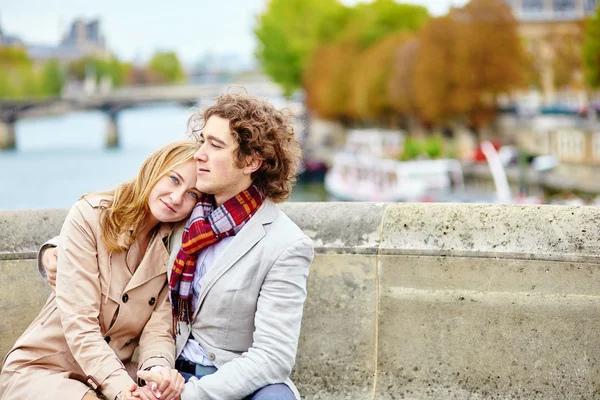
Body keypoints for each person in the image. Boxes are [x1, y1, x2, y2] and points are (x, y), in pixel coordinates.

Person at [38, 93, 315, 400]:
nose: (200, 153)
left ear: (250, 161)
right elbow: (120, 218)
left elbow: (273, 356)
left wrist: (192, 394)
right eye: (203, 140)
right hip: (165, 368)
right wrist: (55, 249)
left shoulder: (285, 244)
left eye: (215, 145)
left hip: (228, 376)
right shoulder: (186, 215)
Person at [0, 140, 203, 400]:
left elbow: (158, 331)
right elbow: (80, 325)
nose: (177, 198)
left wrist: (157, 374)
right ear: (155, 169)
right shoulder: (91, 217)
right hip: (43, 370)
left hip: (113, 377)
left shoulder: (178, 249)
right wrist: (120, 389)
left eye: (193, 194)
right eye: (174, 180)